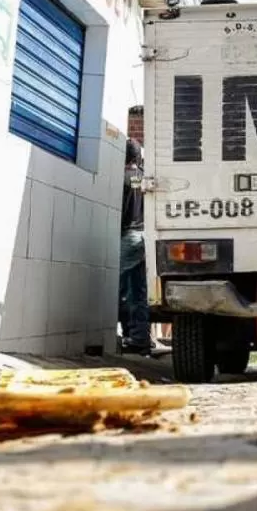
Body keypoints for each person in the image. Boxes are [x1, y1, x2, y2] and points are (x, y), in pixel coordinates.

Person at [119, 138, 151, 354]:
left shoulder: (122, 179)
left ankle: (128, 334)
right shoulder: (143, 178)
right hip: (143, 236)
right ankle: (140, 337)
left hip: (128, 234)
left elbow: (120, 212)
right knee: (138, 290)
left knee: (118, 288)